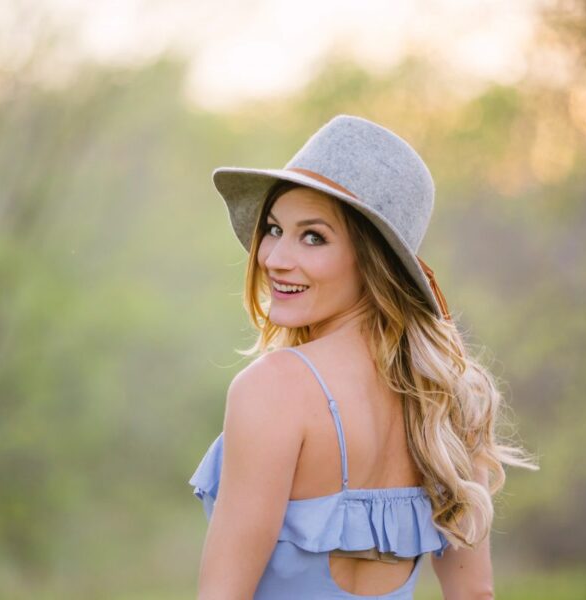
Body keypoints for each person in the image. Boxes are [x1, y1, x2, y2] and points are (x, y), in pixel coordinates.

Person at [189, 114, 539, 599]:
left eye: (313, 236)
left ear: (374, 259)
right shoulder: (452, 397)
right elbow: (475, 594)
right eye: (274, 229)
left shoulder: (274, 388)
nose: (273, 258)